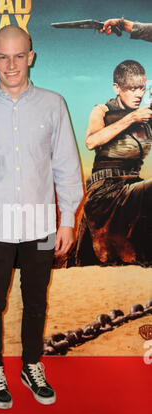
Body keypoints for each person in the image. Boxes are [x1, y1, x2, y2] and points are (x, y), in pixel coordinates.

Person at [0, 25, 83, 409]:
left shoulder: (53, 103)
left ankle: (31, 365)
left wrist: (67, 219)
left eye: (19, 56)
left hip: (42, 225)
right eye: (3, 56)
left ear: (31, 57)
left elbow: (66, 165)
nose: (11, 64)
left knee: (36, 300)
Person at [72, 60, 152, 266]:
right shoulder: (103, 110)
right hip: (105, 191)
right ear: (117, 87)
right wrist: (131, 118)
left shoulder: (146, 118)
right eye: (132, 88)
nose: (139, 94)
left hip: (133, 186)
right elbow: (91, 141)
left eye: (142, 88)